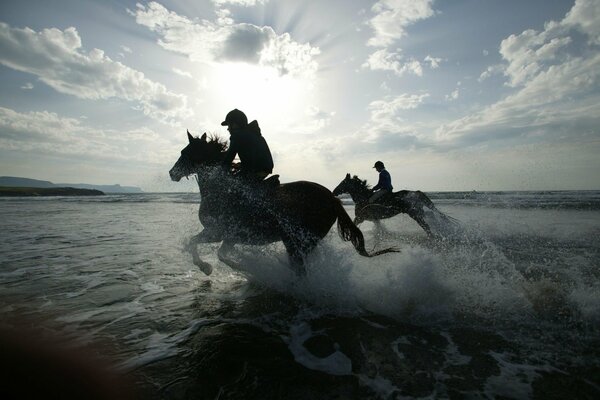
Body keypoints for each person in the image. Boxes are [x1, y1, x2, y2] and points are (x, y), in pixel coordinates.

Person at [220, 109, 274, 181]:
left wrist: (219, 173)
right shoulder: (253, 133)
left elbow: (228, 158)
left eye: (229, 125)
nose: (228, 128)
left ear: (235, 124)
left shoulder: (236, 136)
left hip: (254, 171)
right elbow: (252, 157)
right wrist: (240, 165)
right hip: (265, 169)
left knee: (230, 184)